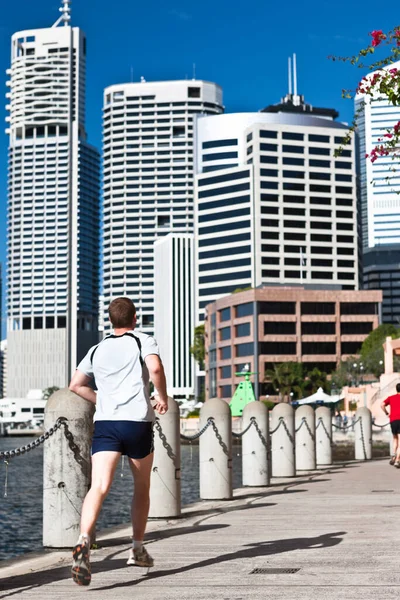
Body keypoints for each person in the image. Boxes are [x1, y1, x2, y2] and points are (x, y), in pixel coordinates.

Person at [68, 297, 168, 586]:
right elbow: (156, 369)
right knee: (142, 486)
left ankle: (84, 539)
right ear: (135, 317)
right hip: (136, 423)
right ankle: (137, 548)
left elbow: (76, 385)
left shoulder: (97, 348)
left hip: (106, 424)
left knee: (98, 485)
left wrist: (102, 401)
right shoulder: (142, 340)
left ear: (110, 320)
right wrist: (160, 396)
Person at [381, 382, 400, 468]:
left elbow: (382, 404)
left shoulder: (391, 398)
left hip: (393, 420)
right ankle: (397, 460)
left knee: (395, 439)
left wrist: (387, 413)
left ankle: (393, 455)